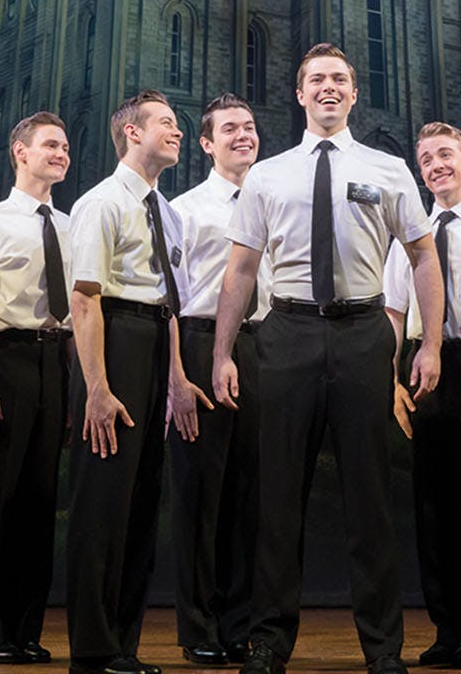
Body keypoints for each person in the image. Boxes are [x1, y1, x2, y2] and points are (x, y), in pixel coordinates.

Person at [212, 43, 444, 674]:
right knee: (278, 496)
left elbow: (424, 256)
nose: (329, 88)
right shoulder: (267, 175)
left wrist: (430, 343)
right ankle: (268, 643)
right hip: (286, 335)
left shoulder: (388, 167)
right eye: (317, 80)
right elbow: (240, 269)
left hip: (365, 334)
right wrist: (223, 351)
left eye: (340, 79)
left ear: (354, 92)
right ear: (299, 93)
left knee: (369, 501)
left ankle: (382, 649)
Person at [65, 90, 211, 674]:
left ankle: (122, 643)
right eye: (167, 124)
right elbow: (84, 298)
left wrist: (176, 378)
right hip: (114, 341)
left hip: (155, 341)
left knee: (143, 499)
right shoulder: (101, 203)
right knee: (103, 498)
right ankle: (93, 650)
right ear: (131, 132)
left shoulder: (167, 210)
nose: (177, 132)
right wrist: (96, 388)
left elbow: (171, 303)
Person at [382, 122, 461, 669]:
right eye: (426, 159)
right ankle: (447, 627)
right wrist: (392, 382)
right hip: (423, 370)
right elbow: (393, 312)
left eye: (445, 155)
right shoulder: (410, 234)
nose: (436, 166)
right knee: (434, 507)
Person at [0, 111, 73, 666]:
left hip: (57, 360)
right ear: (19, 152)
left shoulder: (73, 226)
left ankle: (26, 627)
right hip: (3, 360)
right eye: (50, 145)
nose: (62, 154)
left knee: (40, 500)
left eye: (67, 147)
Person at [167, 93, 272, 666]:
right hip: (203, 340)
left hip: (262, 345)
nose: (243, 136)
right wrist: (178, 374)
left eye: (250, 127)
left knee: (249, 495)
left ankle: (240, 624)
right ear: (206, 144)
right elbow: (170, 300)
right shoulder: (185, 209)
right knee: (200, 496)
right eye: (229, 129)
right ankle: (199, 627)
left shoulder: (274, 202)